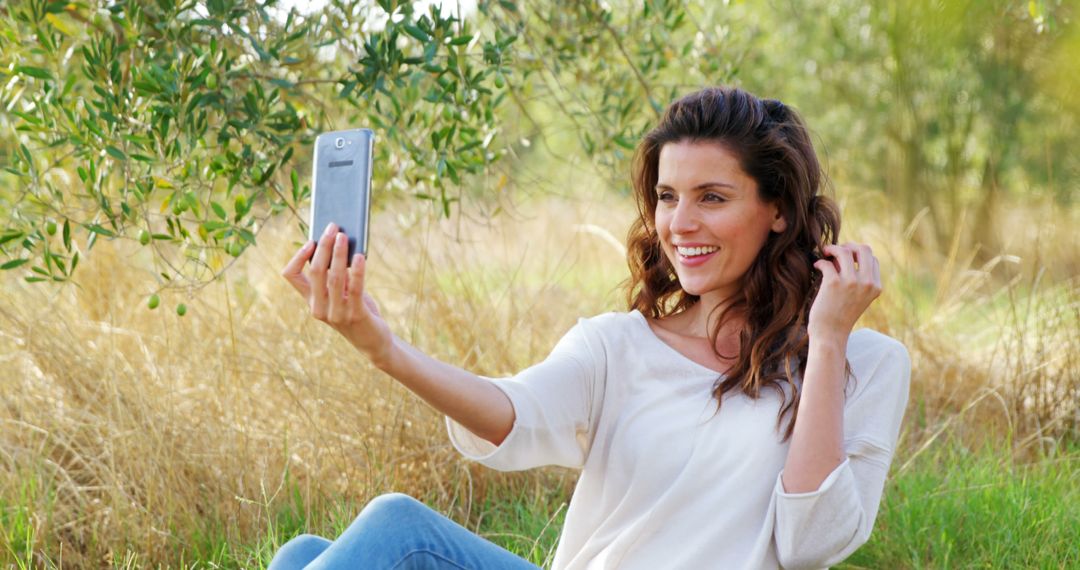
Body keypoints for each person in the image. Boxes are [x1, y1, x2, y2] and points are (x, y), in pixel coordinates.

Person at [274, 86, 910, 569]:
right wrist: (380, 347)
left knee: (396, 530)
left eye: (711, 197)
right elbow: (512, 412)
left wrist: (826, 340)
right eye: (667, 197)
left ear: (777, 209)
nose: (680, 223)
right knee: (303, 553)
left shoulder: (866, 363)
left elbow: (812, 543)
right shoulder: (617, 344)